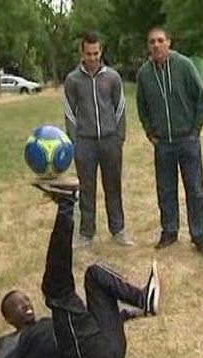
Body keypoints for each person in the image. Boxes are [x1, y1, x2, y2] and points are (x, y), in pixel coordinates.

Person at [0, 178, 161, 358]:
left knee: (94, 274)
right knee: (56, 290)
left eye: (26, 300)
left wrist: (126, 315)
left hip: (112, 347)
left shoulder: (51, 323)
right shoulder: (11, 341)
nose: (26, 304)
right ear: (9, 319)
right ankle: (66, 203)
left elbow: (90, 322)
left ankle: (143, 299)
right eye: (17, 305)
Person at [136, 27, 203, 255]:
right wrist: (150, 132)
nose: (156, 45)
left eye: (160, 40)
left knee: (195, 189)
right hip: (163, 144)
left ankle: (199, 235)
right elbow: (142, 107)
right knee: (166, 190)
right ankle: (169, 231)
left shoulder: (184, 66)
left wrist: (195, 131)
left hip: (187, 139)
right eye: (152, 42)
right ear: (148, 46)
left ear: (169, 42)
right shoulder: (144, 74)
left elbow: (200, 100)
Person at [63, 31, 133, 248]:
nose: (92, 58)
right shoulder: (72, 79)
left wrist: (119, 136)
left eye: (96, 53)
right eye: (88, 54)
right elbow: (69, 111)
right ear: (82, 53)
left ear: (100, 51)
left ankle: (118, 230)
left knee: (113, 186)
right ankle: (86, 233)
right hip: (85, 142)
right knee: (86, 188)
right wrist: (74, 141)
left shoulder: (112, 77)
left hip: (110, 140)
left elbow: (120, 108)